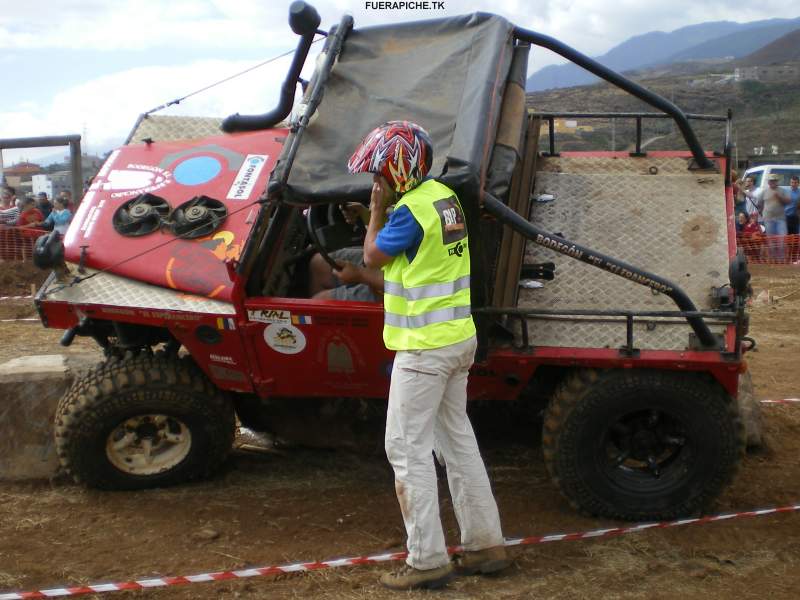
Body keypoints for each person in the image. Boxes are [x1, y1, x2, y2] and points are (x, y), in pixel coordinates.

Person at [348, 121, 507, 591]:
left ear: (397, 170)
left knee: (406, 449)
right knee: (457, 443)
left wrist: (374, 212)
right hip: (458, 338)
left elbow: (372, 257)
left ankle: (427, 560)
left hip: (423, 349)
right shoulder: (443, 197)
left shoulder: (405, 214)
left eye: (379, 174)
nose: (376, 182)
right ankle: (485, 546)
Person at [756, 173, 790, 262]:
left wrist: (779, 197)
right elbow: (759, 203)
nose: (772, 182)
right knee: (770, 240)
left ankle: (781, 259)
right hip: (768, 219)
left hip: (780, 219)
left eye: (774, 180)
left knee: (782, 239)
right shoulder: (764, 191)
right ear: (768, 182)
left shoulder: (782, 190)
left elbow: (788, 201)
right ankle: (773, 260)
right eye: (771, 180)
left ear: (777, 181)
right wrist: (763, 212)